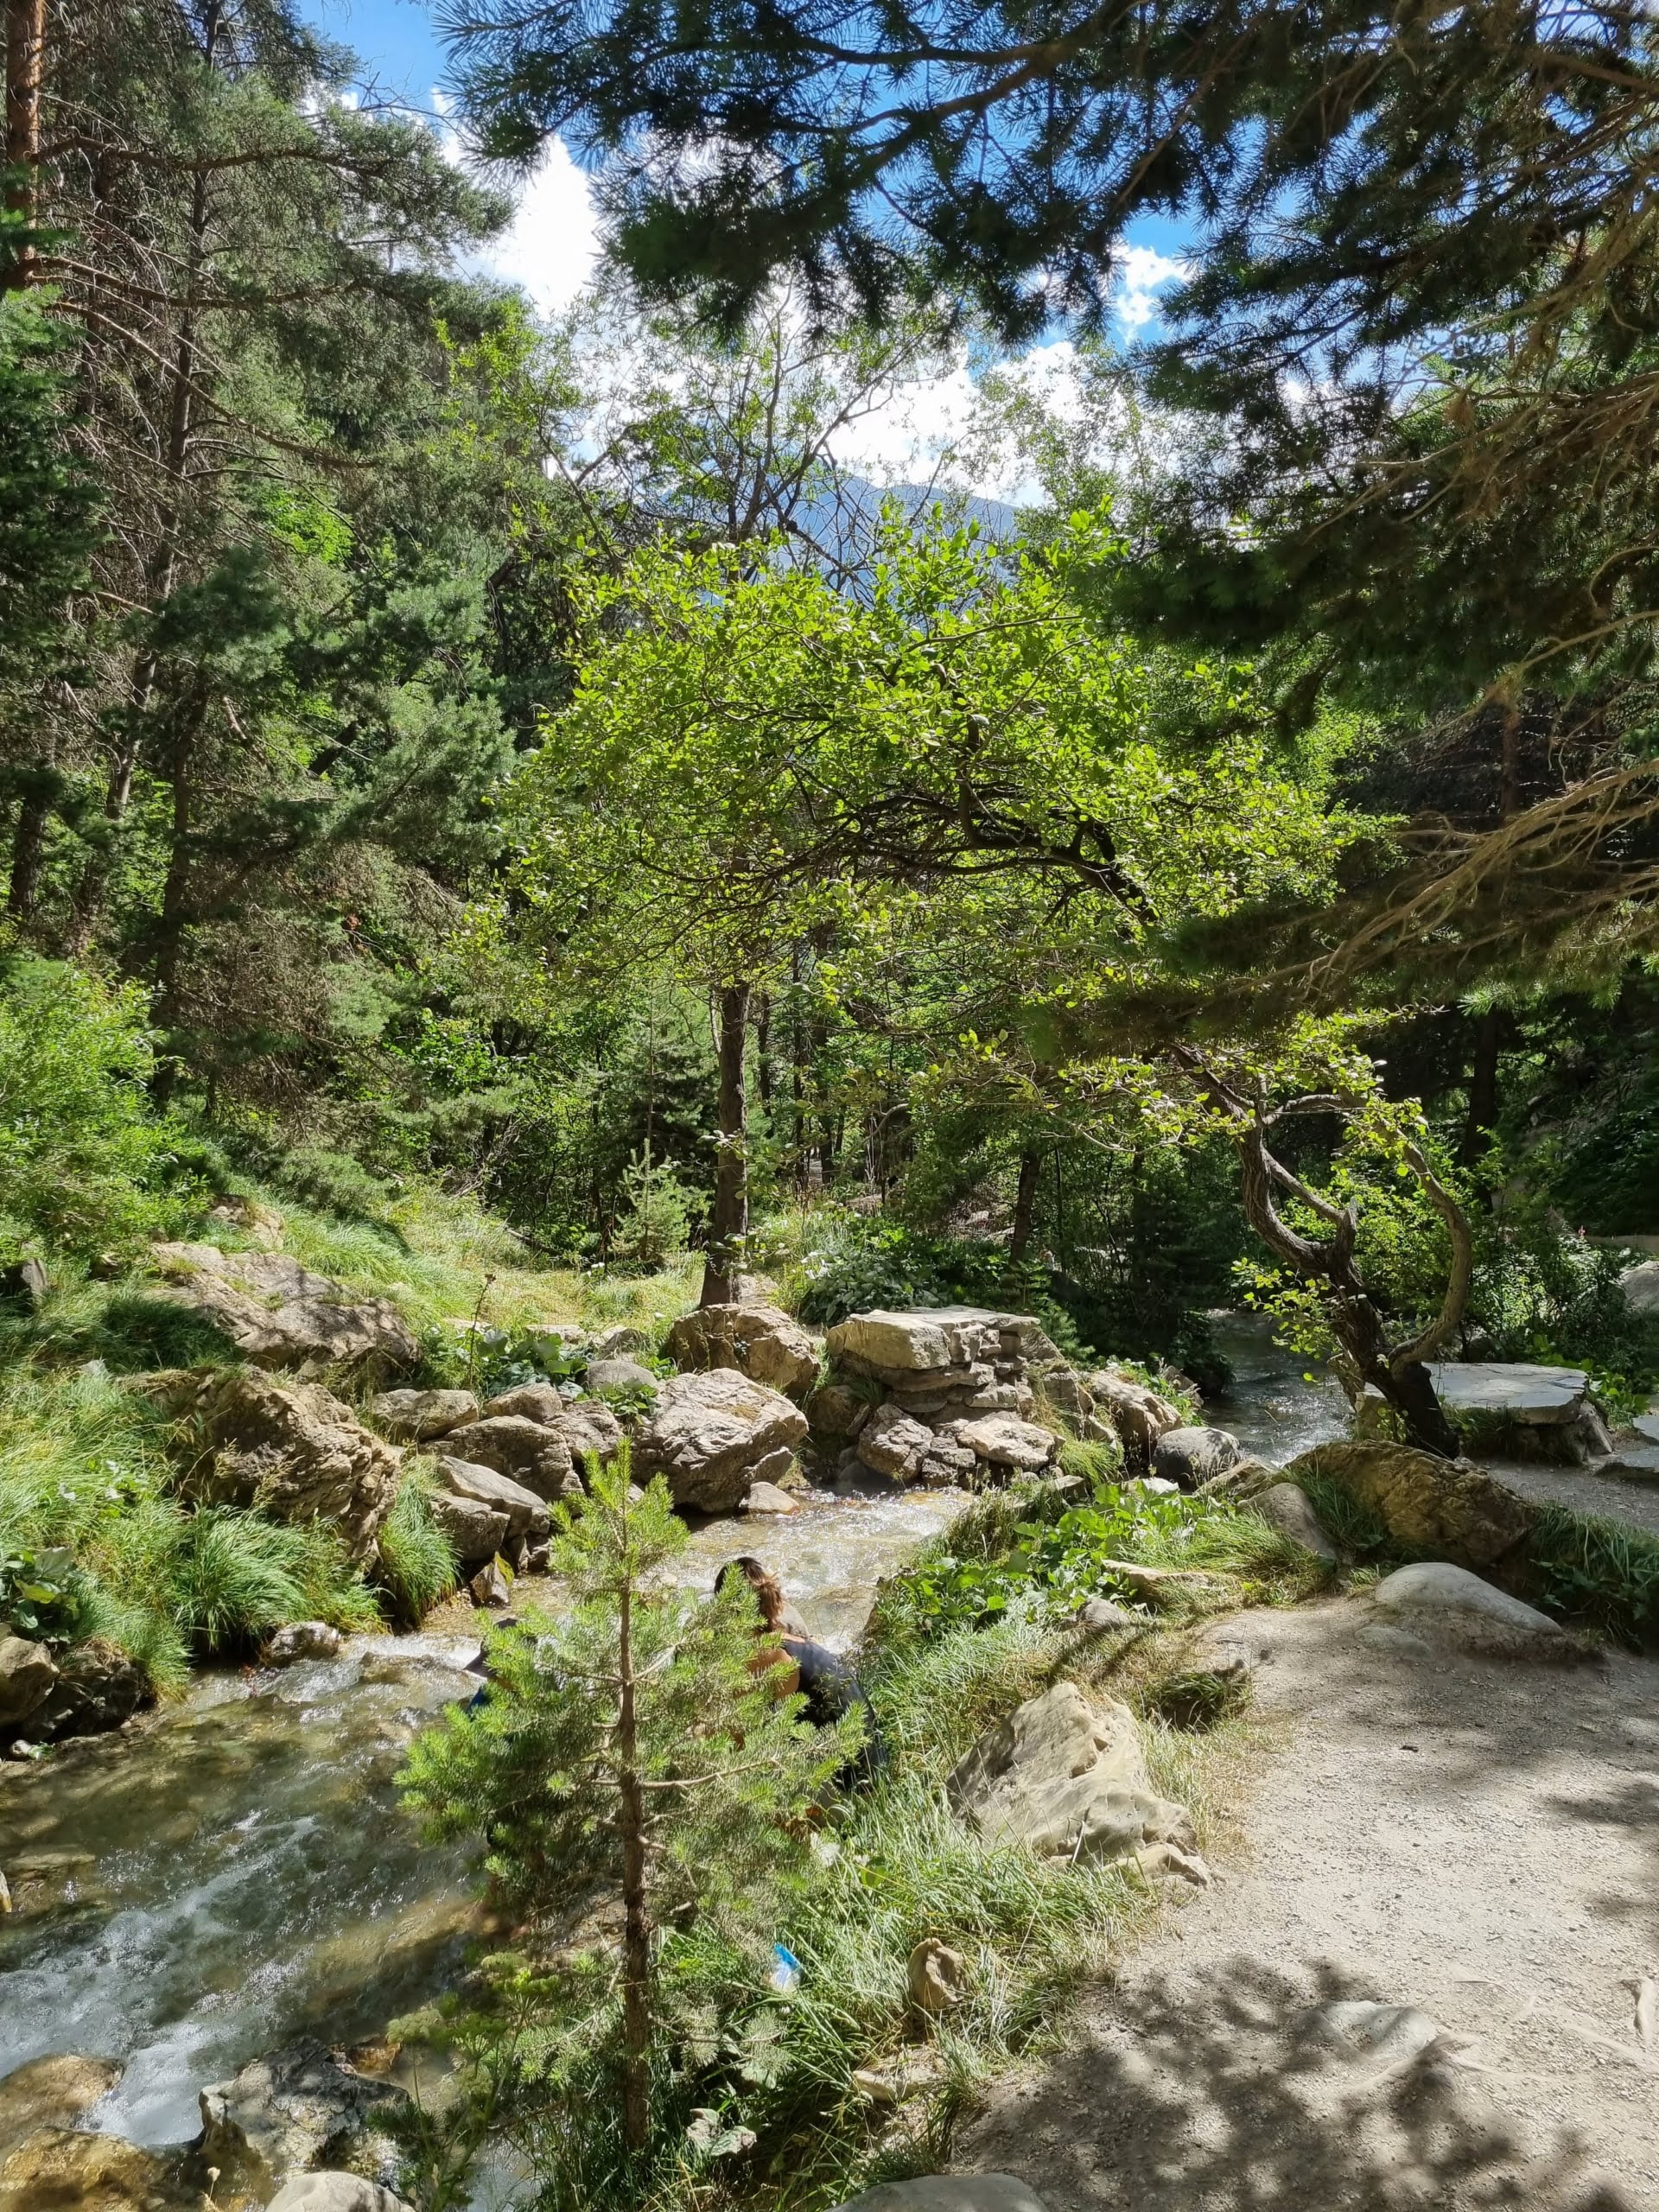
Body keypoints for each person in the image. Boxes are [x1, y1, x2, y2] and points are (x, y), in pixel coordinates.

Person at [715, 1557, 887, 1779]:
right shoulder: (786, 1641)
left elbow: (738, 1742)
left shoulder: (766, 1656)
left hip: (851, 1791)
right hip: (874, 1771)